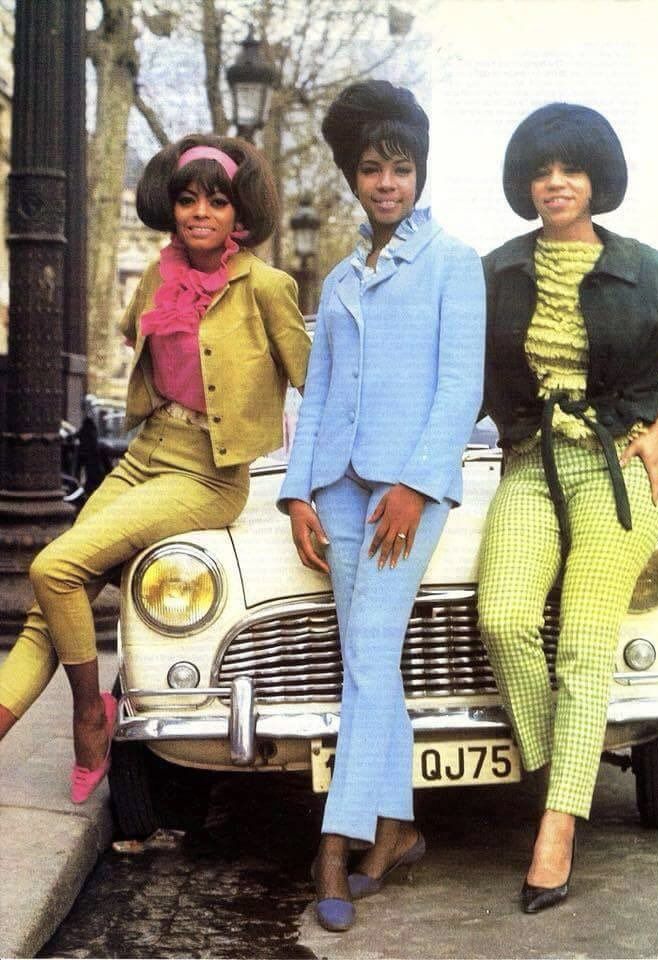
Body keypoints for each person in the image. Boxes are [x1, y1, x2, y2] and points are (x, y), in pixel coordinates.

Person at [0, 134, 311, 804]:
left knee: (54, 566)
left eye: (217, 200)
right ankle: (79, 712)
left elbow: (320, 389)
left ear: (239, 213)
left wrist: (309, 488)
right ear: (171, 208)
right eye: (187, 198)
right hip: (143, 455)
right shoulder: (156, 275)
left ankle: (90, 713)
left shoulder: (267, 288)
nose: (200, 212)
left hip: (206, 477)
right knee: (51, 609)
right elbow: (140, 347)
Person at [278, 80, 486, 932]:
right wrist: (296, 492)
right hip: (336, 487)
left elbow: (458, 387)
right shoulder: (336, 279)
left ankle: (334, 844)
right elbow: (319, 393)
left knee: (367, 651)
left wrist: (414, 482)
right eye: (372, 170)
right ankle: (395, 829)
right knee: (373, 663)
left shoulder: (453, 263)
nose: (387, 183)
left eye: (401, 169)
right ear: (353, 180)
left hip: (409, 492)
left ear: (420, 174)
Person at [478, 103, 658, 913]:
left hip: (617, 466)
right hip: (529, 463)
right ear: (527, 182)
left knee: (586, 642)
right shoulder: (494, 271)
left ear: (596, 179)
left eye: (571, 169)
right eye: (542, 171)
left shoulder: (649, 267)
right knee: (503, 616)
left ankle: (555, 831)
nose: (555, 183)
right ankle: (566, 771)